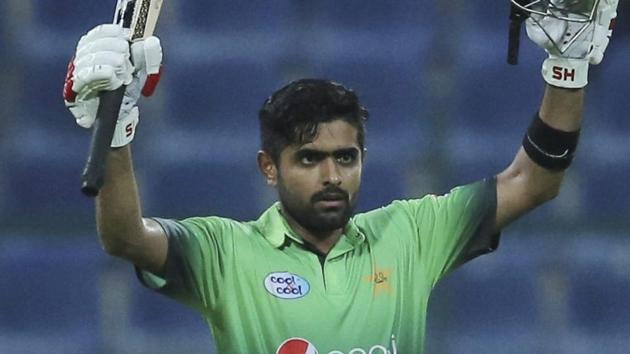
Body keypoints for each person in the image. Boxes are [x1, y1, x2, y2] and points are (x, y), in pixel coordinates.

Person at [63, 1, 619, 353]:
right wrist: (116, 135)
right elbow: (125, 236)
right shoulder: (224, 252)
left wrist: (566, 69)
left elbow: (535, 182)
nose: (332, 175)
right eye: (309, 159)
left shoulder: (411, 235)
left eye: (346, 157)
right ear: (269, 169)